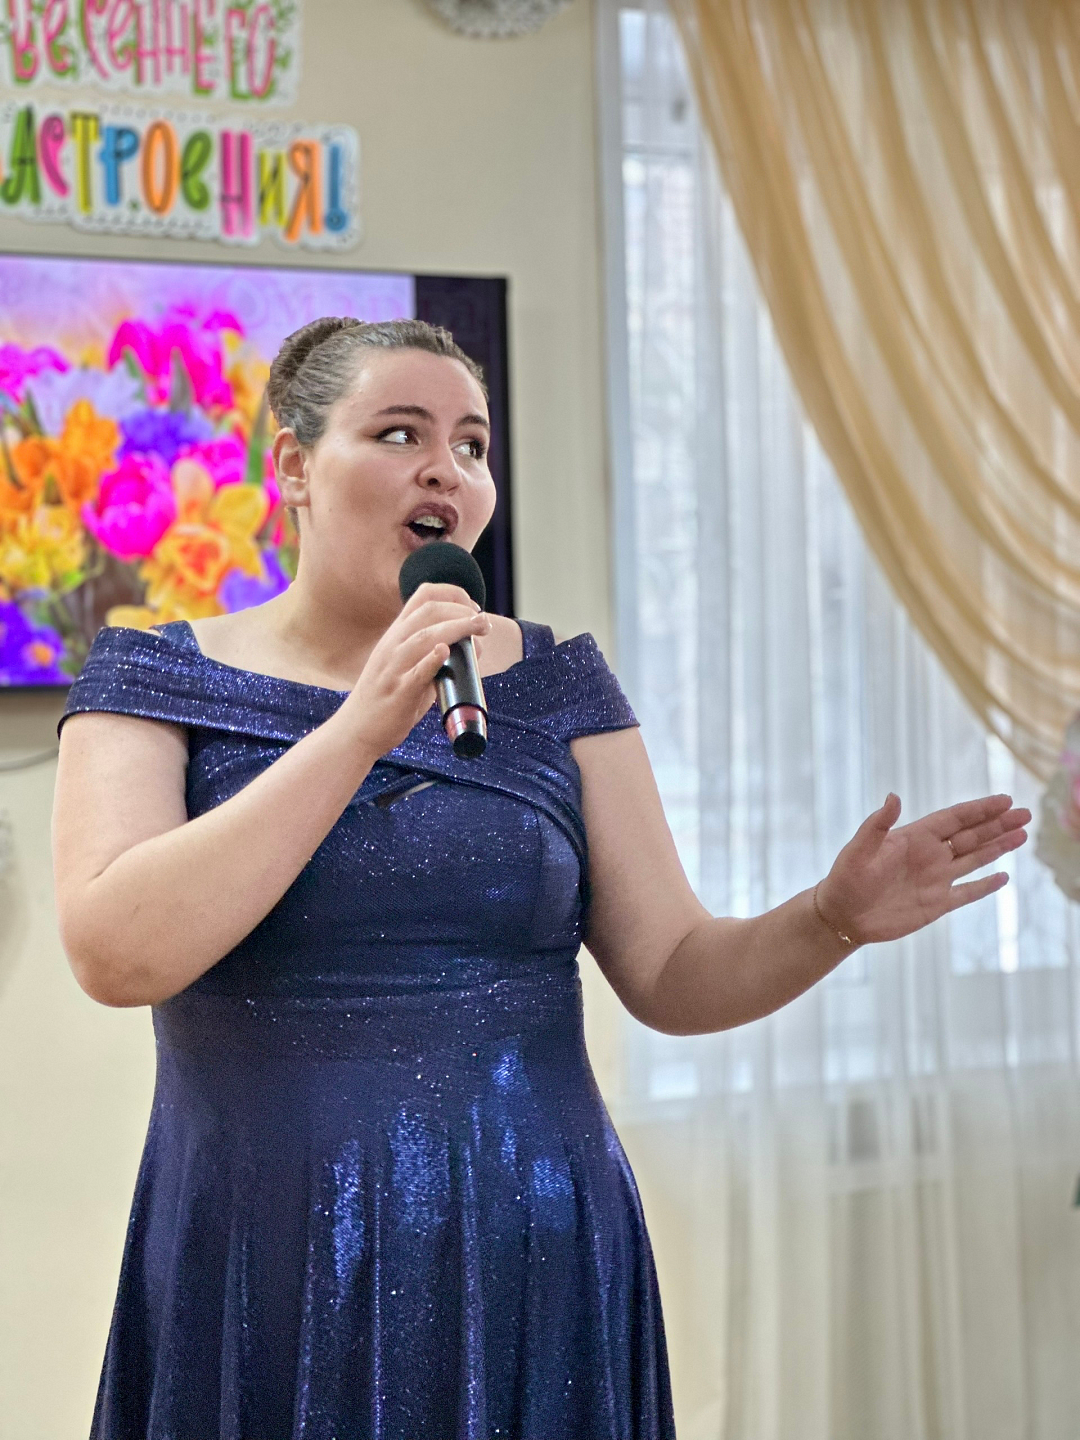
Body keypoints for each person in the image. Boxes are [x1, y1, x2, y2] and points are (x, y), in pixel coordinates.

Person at [52, 317, 1030, 1440]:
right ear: (294, 467)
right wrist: (360, 728)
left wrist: (829, 918)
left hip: (533, 1250)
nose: (445, 468)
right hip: (266, 1255)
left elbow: (672, 971)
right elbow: (117, 954)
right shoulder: (156, 679)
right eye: (399, 433)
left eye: (470, 445)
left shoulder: (557, 683)